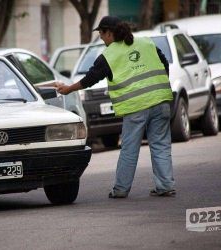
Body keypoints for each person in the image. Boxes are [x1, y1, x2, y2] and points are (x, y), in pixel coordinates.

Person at [55, 16, 175, 198]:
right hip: (161, 102)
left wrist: (69, 89)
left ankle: (120, 190)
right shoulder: (146, 43)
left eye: (101, 34)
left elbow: (91, 78)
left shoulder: (110, 55)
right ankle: (165, 185)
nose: (101, 38)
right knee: (161, 145)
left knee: (129, 149)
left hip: (136, 107)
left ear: (109, 33)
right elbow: (164, 63)